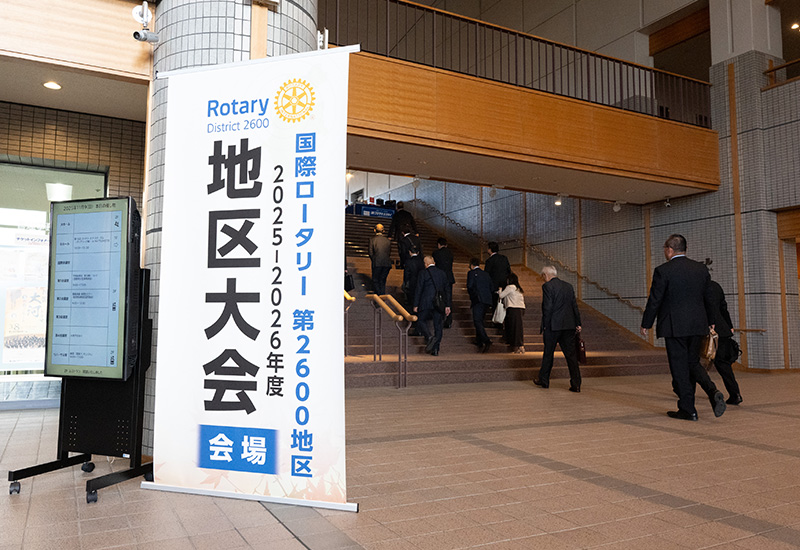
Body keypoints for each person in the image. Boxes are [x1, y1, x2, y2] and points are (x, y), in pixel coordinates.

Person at [640, 234, 726, 421]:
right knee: (692, 363)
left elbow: (655, 300)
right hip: (697, 325)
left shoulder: (663, 270)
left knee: (679, 367)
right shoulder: (700, 269)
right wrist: (711, 320)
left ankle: (688, 409)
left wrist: (646, 323)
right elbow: (709, 297)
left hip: (674, 326)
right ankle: (712, 391)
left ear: (670, 250)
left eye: (665, 249)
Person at [534, 266, 582, 392]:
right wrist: (578, 323)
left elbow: (547, 307)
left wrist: (545, 325)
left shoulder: (547, 286)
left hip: (553, 326)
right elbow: (574, 306)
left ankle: (544, 380)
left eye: (543, 276)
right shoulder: (568, 286)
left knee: (548, 354)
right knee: (571, 356)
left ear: (545, 275)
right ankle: (576, 384)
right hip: (569, 325)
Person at [708, 278, 743, 405]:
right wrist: (729, 326)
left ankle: (685, 390)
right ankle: (735, 394)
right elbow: (724, 308)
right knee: (723, 364)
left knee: (694, 362)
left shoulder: (697, 287)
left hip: (705, 331)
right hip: (722, 329)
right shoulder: (715, 286)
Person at [413, 255, 451, 356]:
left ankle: (429, 337)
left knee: (420, 320)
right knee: (438, 326)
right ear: (434, 262)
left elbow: (419, 289)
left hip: (426, 301)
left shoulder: (423, 273)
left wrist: (416, 304)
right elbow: (447, 290)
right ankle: (436, 349)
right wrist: (448, 305)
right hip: (439, 303)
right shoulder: (442, 273)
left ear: (425, 264)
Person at [466, 258, 494, 353]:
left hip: (478, 300)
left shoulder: (471, 273)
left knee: (477, 321)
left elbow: (470, 286)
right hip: (487, 300)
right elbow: (491, 287)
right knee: (480, 320)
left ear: (471, 265)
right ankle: (479, 340)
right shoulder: (486, 274)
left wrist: (473, 296)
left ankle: (486, 340)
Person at [499, 272, 525, 353]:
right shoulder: (518, 288)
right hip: (520, 308)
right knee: (518, 328)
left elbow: (501, 295)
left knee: (513, 327)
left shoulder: (510, 287)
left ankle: (516, 346)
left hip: (513, 309)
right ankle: (520, 345)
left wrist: (500, 290)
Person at [432, 237, 455, 328]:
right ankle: (449, 319)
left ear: (439, 244)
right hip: (449, 278)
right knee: (448, 298)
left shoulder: (436, 253)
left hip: (440, 278)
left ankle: (440, 316)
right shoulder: (450, 253)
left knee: (439, 297)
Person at [388, 202, 418, 267]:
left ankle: (402, 263)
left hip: (400, 233)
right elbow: (413, 223)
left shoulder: (396, 215)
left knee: (401, 249)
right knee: (409, 248)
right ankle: (408, 263)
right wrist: (416, 232)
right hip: (408, 232)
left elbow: (392, 225)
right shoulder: (408, 214)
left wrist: (389, 235)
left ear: (397, 207)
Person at [484, 241, 511, 314]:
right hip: (504, 284)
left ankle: (495, 318)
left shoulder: (489, 261)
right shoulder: (504, 258)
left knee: (495, 305)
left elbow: (486, 275)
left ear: (490, 249)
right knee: (503, 305)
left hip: (493, 286)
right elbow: (509, 271)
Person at [368, 223, 392, 295]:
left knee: (375, 279)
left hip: (377, 262)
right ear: (383, 231)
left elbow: (370, 252)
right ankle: (382, 294)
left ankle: (379, 295)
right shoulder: (387, 240)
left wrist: (374, 260)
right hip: (387, 263)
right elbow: (389, 252)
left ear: (374, 230)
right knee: (383, 280)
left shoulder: (372, 240)